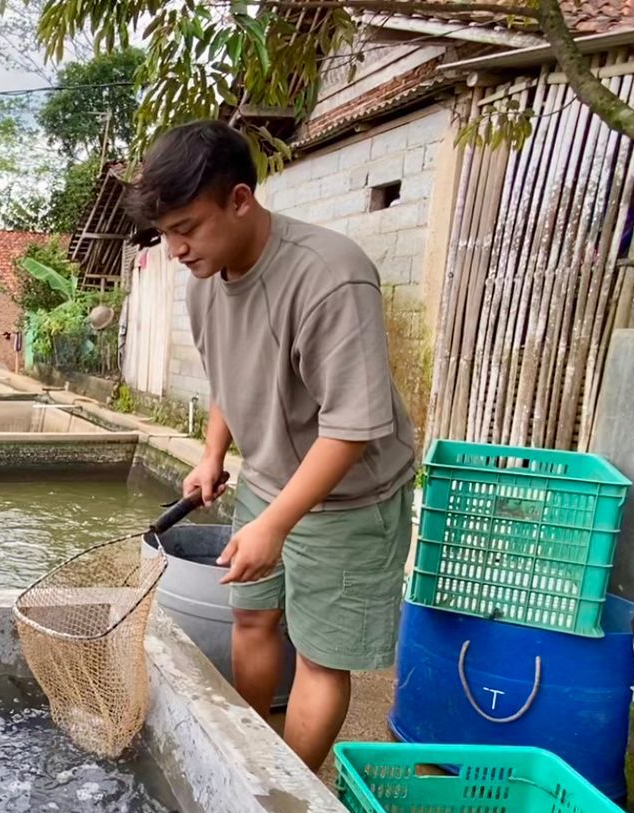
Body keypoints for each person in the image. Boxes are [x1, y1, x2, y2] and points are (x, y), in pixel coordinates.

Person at [125, 120, 416, 771]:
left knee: (318, 654)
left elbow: (351, 427)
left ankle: (291, 788)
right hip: (265, 481)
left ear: (239, 199)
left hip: (348, 499)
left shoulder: (331, 277)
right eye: (166, 232)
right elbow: (231, 380)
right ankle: (248, 758)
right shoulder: (204, 283)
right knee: (251, 620)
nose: (175, 249)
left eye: (187, 227)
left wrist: (277, 525)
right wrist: (212, 455)